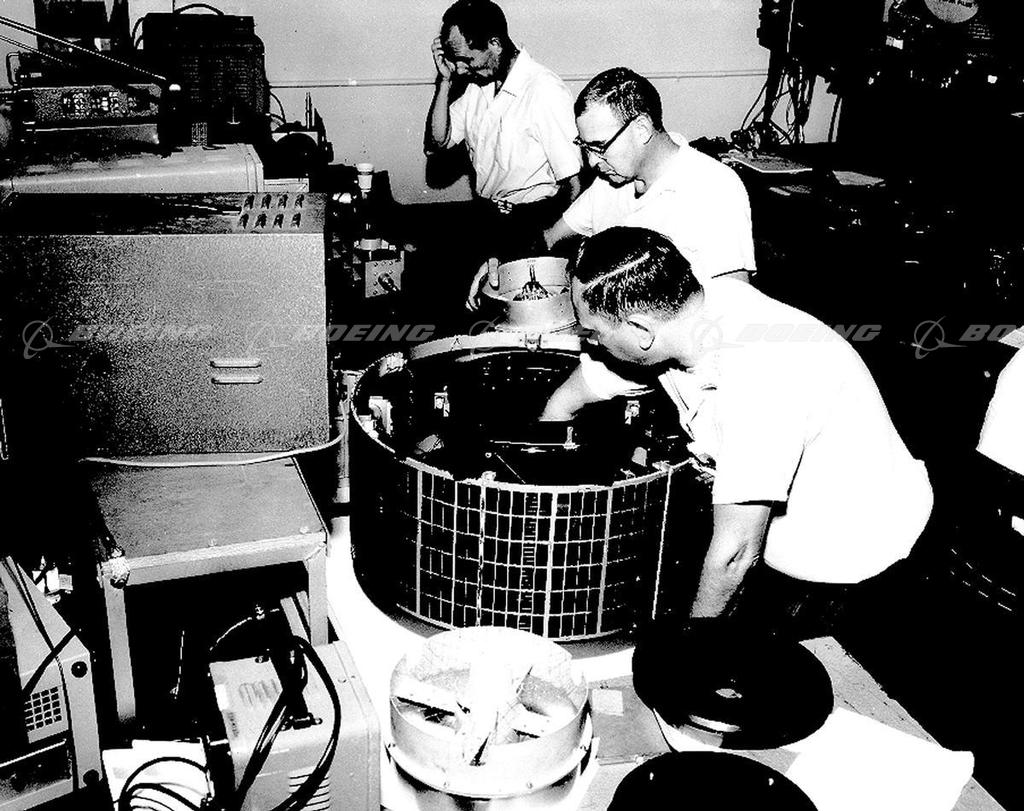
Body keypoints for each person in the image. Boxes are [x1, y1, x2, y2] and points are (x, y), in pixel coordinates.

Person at [542, 226, 933, 631]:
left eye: (594, 333)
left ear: (641, 330)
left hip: (856, 561)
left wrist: (692, 647)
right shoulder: (685, 312)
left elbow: (735, 555)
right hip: (781, 534)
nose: (591, 344)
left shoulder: (760, 376)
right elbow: (569, 398)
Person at [467, 66, 755, 310]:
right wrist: (502, 263)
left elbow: (735, 307)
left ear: (641, 128)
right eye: (585, 147)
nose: (592, 162)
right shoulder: (611, 182)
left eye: (600, 146)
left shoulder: (713, 188)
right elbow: (548, 238)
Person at [426, 0, 582, 262]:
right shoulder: (478, 85)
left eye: (467, 59)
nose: (460, 69)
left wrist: (544, 241)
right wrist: (444, 81)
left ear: (495, 44)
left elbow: (574, 185)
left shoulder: (544, 90)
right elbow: (438, 142)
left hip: (531, 221)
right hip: (490, 216)